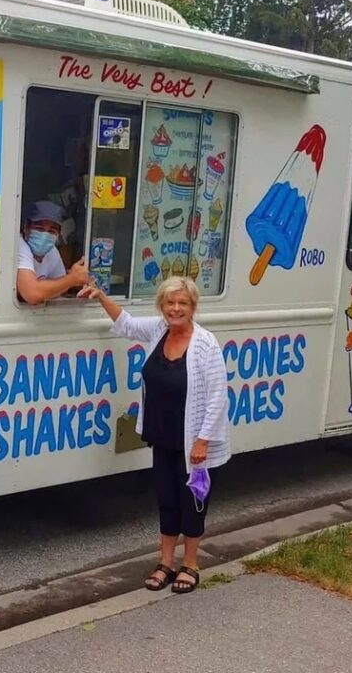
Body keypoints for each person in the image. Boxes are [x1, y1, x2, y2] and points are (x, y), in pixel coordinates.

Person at [79, 276, 230, 593]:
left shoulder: (205, 344)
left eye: (183, 303)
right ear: (162, 306)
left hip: (194, 445)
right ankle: (165, 563)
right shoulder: (159, 330)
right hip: (162, 436)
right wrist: (101, 296)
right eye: (170, 303)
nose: (176, 309)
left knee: (193, 503)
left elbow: (218, 398)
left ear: (193, 307)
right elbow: (127, 324)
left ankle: (190, 565)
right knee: (167, 500)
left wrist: (203, 441)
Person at [17, 200, 90, 304]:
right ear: (26, 227)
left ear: (58, 234)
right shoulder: (19, 246)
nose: (45, 235)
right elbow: (32, 294)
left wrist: (77, 283)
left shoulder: (51, 251)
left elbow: (61, 287)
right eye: (39, 229)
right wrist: (72, 279)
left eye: (52, 231)